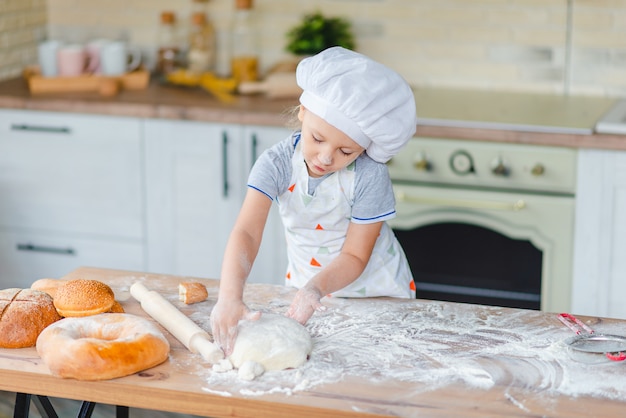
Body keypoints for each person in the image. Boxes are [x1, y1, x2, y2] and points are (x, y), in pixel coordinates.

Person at [210, 46, 418, 355]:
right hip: (306, 291)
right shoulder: (277, 163)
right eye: (317, 138)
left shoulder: (369, 175)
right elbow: (247, 233)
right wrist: (229, 295)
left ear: (363, 148)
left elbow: (355, 257)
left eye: (345, 151)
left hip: (376, 293)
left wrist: (316, 288)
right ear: (302, 113)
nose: (325, 157)